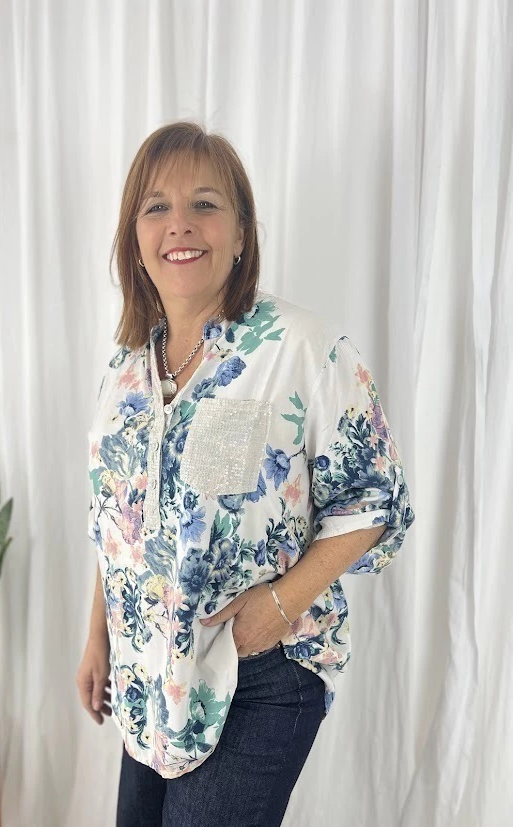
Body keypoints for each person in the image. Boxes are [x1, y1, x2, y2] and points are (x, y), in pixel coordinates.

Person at [77, 121, 415, 827]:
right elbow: (118, 521)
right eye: (156, 207)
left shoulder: (302, 348)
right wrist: (97, 635)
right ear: (134, 240)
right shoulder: (125, 372)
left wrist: (279, 606)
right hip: (150, 676)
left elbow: (375, 499)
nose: (180, 224)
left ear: (240, 232)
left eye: (205, 203)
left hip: (261, 673)